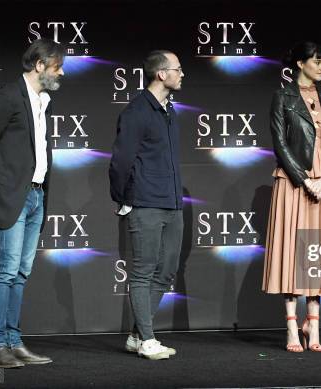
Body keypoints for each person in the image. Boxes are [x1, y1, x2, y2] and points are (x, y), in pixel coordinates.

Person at [0, 38, 64, 368]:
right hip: (10, 196)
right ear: (39, 65)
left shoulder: (43, 101)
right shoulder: (7, 97)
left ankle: (13, 340)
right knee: (6, 271)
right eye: (57, 66)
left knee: (21, 273)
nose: (61, 72)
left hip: (37, 195)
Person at [262, 41, 321, 352]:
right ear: (300, 63)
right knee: (292, 253)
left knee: (318, 251)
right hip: (293, 181)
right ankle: (293, 328)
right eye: (317, 61)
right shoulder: (282, 97)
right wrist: (304, 179)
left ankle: (315, 324)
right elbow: (279, 144)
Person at [109, 50, 184, 360]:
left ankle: (138, 335)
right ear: (161, 74)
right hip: (145, 203)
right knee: (142, 272)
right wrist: (124, 198)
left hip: (172, 203)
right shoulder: (136, 112)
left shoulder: (170, 112)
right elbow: (120, 163)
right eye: (178, 69)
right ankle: (148, 339)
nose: (182, 74)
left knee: (166, 272)